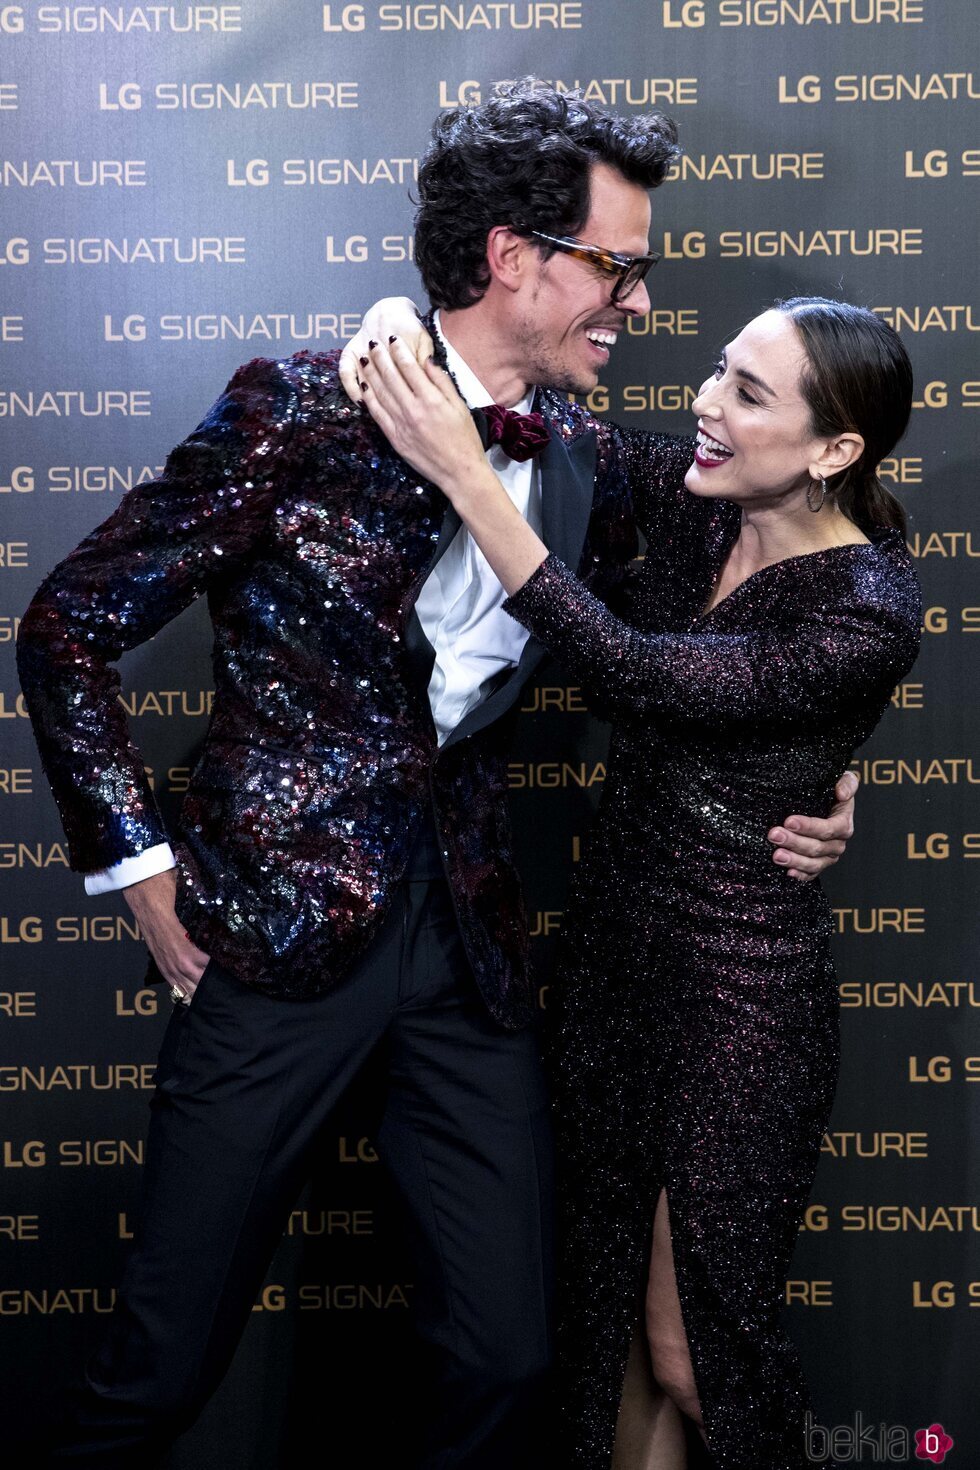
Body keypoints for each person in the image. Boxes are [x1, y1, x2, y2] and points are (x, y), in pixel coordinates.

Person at [15, 81, 854, 1469]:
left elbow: (789, 584)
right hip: (275, 939)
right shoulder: (299, 408)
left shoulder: (588, 455)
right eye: (618, 265)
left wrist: (831, 766)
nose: (638, 304)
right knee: (156, 1376)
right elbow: (68, 624)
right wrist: (143, 873)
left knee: (505, 1354)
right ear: (517, 257)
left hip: (468, 956)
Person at [347, 295, 921, 1469]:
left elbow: (629, 671)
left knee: (695, 1352)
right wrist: (394, 316)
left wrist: (466, 484)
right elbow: (546, 425)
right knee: (607, 1331)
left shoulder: (866, 611)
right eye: (718, 373)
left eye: (747, 395)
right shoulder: (702, 501)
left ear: (834, 451)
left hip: (736, 1007)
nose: (704, 405)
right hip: (612, 976)